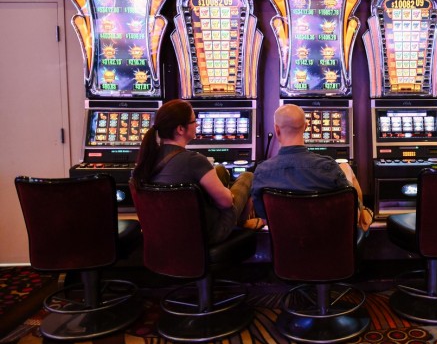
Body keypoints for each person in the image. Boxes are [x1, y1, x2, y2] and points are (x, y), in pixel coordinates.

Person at [132, 99, 262, 244]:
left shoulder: (147, 160)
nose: (198, 125)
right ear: (180, 129)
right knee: (247, 176)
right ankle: (242, 224)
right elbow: (226, 203)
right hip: (205, 234)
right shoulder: (194, 161)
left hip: (164, 231)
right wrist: (227, 193)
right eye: (194, 121)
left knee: (220, 170)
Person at [251, 104, 374, 232]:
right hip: (328, 237)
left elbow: (265, 219)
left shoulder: (261, 172)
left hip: (284, 240)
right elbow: (349, 207)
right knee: (346, 167)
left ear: (276, 130)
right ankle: (365, 214)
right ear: (306, 127)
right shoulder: (329, 167)